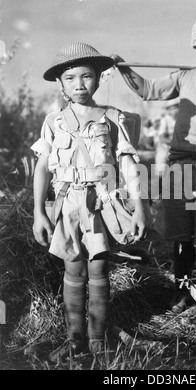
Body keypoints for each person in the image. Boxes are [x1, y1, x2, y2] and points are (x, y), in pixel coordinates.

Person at [112, 11, 196, 315]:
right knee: (178, 235)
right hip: (180, 162)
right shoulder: (186, 76)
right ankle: (180, 292)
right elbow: (147, 90)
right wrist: (123, 67)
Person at [31, 42, 147, 361]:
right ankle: (75, 340)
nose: (79, 84)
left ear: (98, 79)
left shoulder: (112, 118)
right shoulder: (54, 121)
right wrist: (38, 212)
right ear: (60, 83)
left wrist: (139, 206)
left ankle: (98, 340)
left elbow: (127, 163)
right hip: (68, 205)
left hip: (100, 204)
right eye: (70, 78)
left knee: (98, 269)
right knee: (73, 270)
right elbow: (42, 167)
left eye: (87, 77)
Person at [154, 99, 179, 177]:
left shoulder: (181, 119)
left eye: (175, 108)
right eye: (171, 109)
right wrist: (175, 142)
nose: (173, 111)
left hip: (176, 147)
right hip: (164, 146)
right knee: (161, 168)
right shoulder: (165, 120)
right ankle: (159, 183)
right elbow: (162, 138)